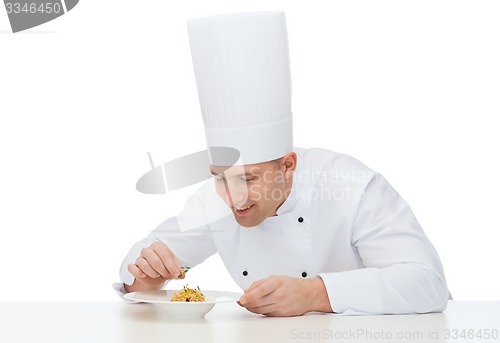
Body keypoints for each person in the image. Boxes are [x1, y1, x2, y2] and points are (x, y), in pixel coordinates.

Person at [114, 11, 450, 316]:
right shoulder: (214, 200)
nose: (234, 198)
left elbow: (427, 283)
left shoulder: (352, 187)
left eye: (249, 179)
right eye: (220, 178)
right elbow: (141, 261)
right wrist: (145, 275)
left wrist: (314, 294)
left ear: (288, 165)